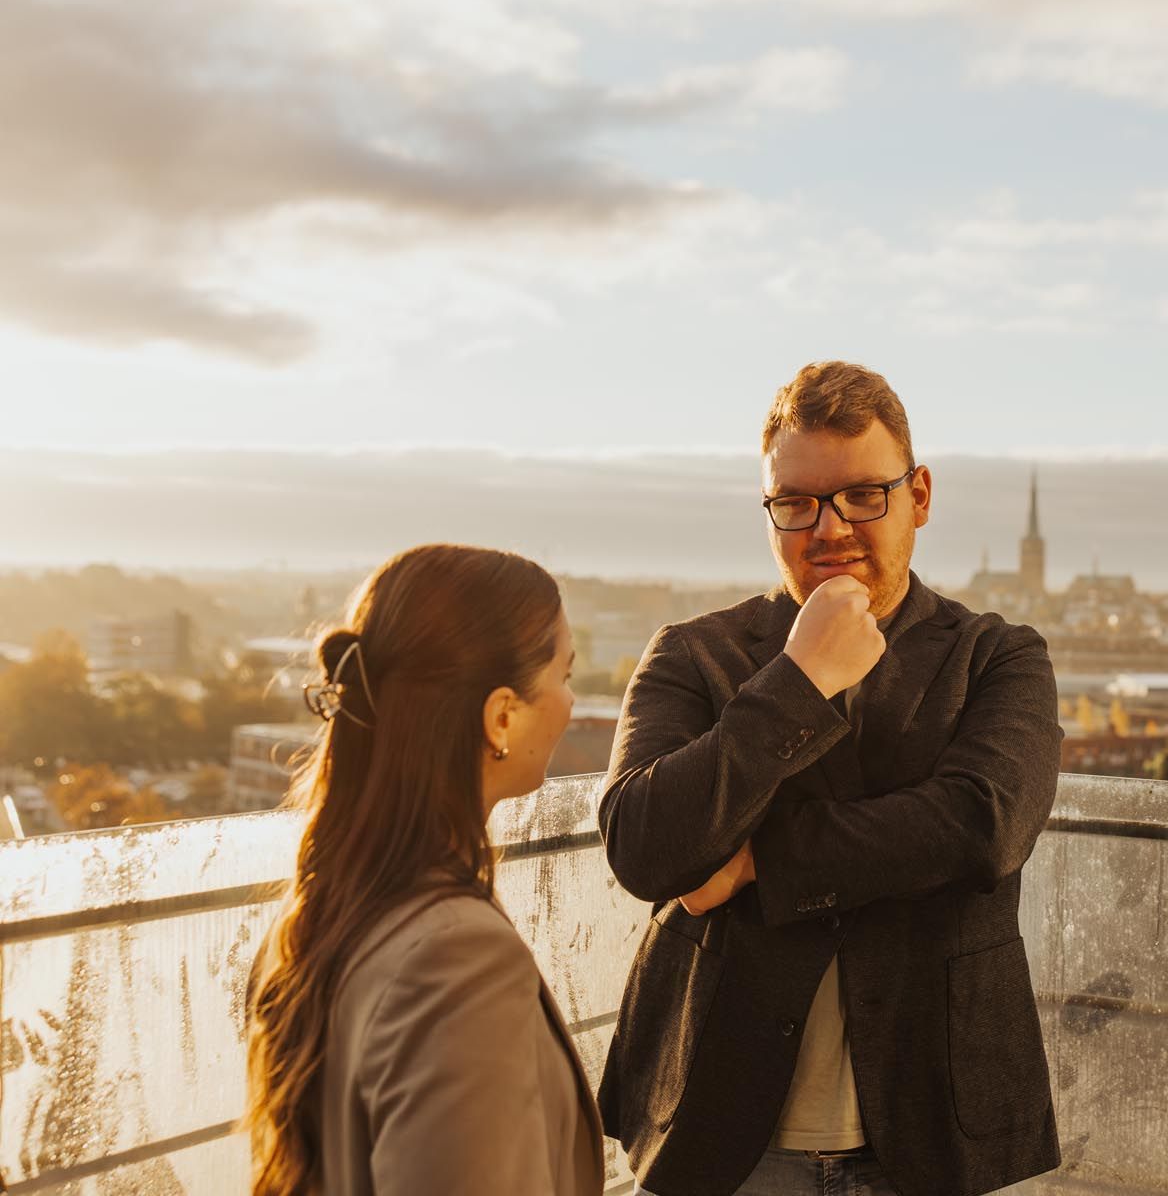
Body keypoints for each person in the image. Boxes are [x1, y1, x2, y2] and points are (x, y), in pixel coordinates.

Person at [597, 361, 1063, 1196]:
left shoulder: (998, 657)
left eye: (862, 495)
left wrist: (752, 859)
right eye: (796, 502)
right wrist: (799, 681)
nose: (829, 526)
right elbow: (644, 846)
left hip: (930, 1129)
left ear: (920, 495)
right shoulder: (692, 653)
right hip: (721, 1133)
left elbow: (981, 827)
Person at [245, 544, 601, 1196]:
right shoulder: (458, 958)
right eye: (565, 674)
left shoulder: (323, 915)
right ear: (501, 716)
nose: (571, 702)